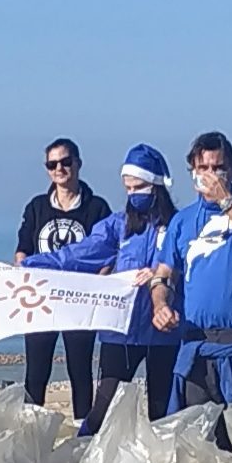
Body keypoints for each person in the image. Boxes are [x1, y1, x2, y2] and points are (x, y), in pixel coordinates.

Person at [21, 144, 183, 432]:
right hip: (119, 331)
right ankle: (84, 456)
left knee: (162, 410)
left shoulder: (178, 226)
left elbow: (188, 268)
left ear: (157, 184)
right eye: (128, 188)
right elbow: (79, 254)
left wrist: (161, 274)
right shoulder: (118, 225)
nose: (134, 194)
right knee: (104, 408)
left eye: (140, 187)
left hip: (164, 333)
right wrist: (30, 265)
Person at [148, 131, 232, 410]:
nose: (210, 175)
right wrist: (160, 304)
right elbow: (163, 275)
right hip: (197, 344)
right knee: (196, 440)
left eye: (218, 167)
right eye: (203, 168)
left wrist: (227, 201)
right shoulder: (182, 222)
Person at [15, 138, 111, 420]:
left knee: (80, 370)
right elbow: (22, 252)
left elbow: (108, 255)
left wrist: (96, 283)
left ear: (78, 164)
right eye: (53, 164)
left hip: (79, 303)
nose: (60, 168)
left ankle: (83, 429)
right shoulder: (36, 207)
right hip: (41, 302)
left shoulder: (97, 208)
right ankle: (29, 429)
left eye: (66, 162)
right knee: (36, 371)